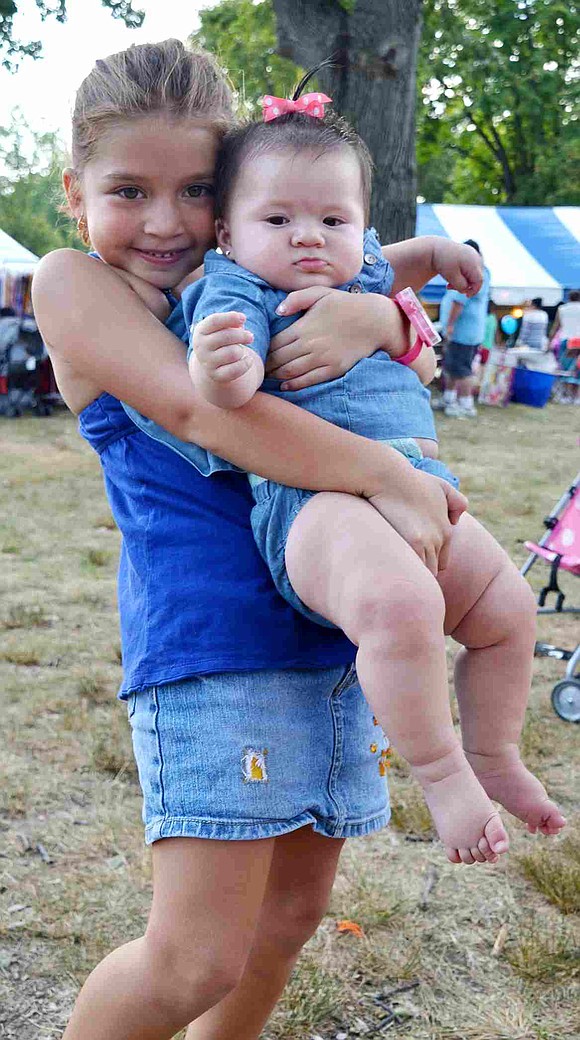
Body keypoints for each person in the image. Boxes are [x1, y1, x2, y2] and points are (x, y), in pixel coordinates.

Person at [32, 39, 478, 1040]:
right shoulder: (72, 284)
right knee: (194, 955)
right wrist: (385, 473)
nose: (163, 221)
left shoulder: (236, 273)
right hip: (213, 647)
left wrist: (378, 308)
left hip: (330, 631)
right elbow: (207, 417)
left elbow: (327, 257)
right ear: (75, 191)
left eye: (195, 189)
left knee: (288, 917)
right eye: (128, 190)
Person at [128, 85, 565, 870]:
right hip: (316, 504)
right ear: (227, 233)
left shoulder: (358, 272)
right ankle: (440, 771)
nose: (307, 239)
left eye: (333, 220)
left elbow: (386, 265)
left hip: (423, 487)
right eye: (279, 220)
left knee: (507, 611)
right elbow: (226, 397)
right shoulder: (235, 290)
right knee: (402, 607)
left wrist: (433, 257)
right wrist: (224, 369)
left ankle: (495, 750)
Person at [437, 239, 491, 418]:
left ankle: (466, 404)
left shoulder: (474, 273)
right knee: (452, 366)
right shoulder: (481, 272)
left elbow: (459, 301)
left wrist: (450, 325)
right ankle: (449, 398)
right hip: (465, 332)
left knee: (462, 369)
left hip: (464, 332)